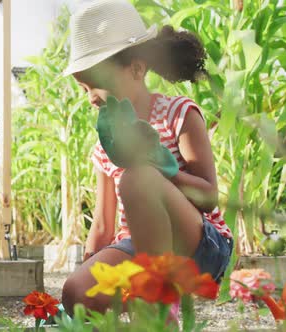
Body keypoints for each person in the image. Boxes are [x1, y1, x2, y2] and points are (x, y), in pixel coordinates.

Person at [61, 0, 233, 314]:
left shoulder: (178, 115)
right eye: (84, 88)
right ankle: (146, 302)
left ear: (137, 68)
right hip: (138, 247)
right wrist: (88, 273)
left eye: (96, 84)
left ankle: (160, 315)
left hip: (199, 244)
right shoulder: (107, 144)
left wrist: (161, 167)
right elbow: (102, 225)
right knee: (78, 292)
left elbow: (208, 197)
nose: (90, 98)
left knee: (137, 178)